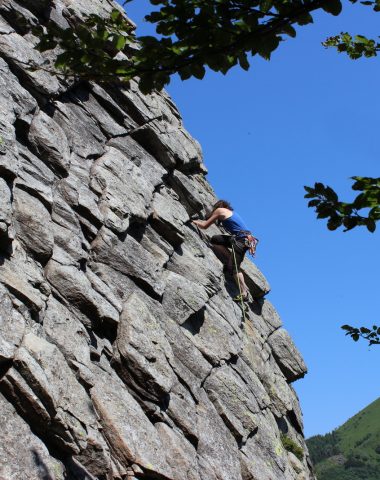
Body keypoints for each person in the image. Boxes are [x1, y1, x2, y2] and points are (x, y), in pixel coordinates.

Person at [193, 200, 255, 302]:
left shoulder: (219, 210)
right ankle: (229, 259)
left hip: (241, 241)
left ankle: (244, 291)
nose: (214, 210)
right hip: (242, 239)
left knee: (234, 268)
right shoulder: (231, 213)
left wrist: (193, 222)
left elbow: (204, 226)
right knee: (215, 239)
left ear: (219, 206)